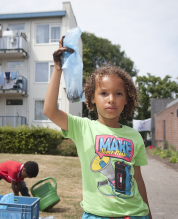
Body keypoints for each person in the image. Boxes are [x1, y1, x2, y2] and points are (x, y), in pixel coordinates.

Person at [43, 37, 152, 219]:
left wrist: (148, 213)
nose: (111, 99)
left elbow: (138, 178)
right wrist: (57, 69)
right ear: (92, 97)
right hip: (96, 215)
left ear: (127, 99)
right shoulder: (82, 127)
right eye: (103, 93)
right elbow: (49, 110)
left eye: (118, 93)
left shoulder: (135, 136)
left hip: (135, 214)